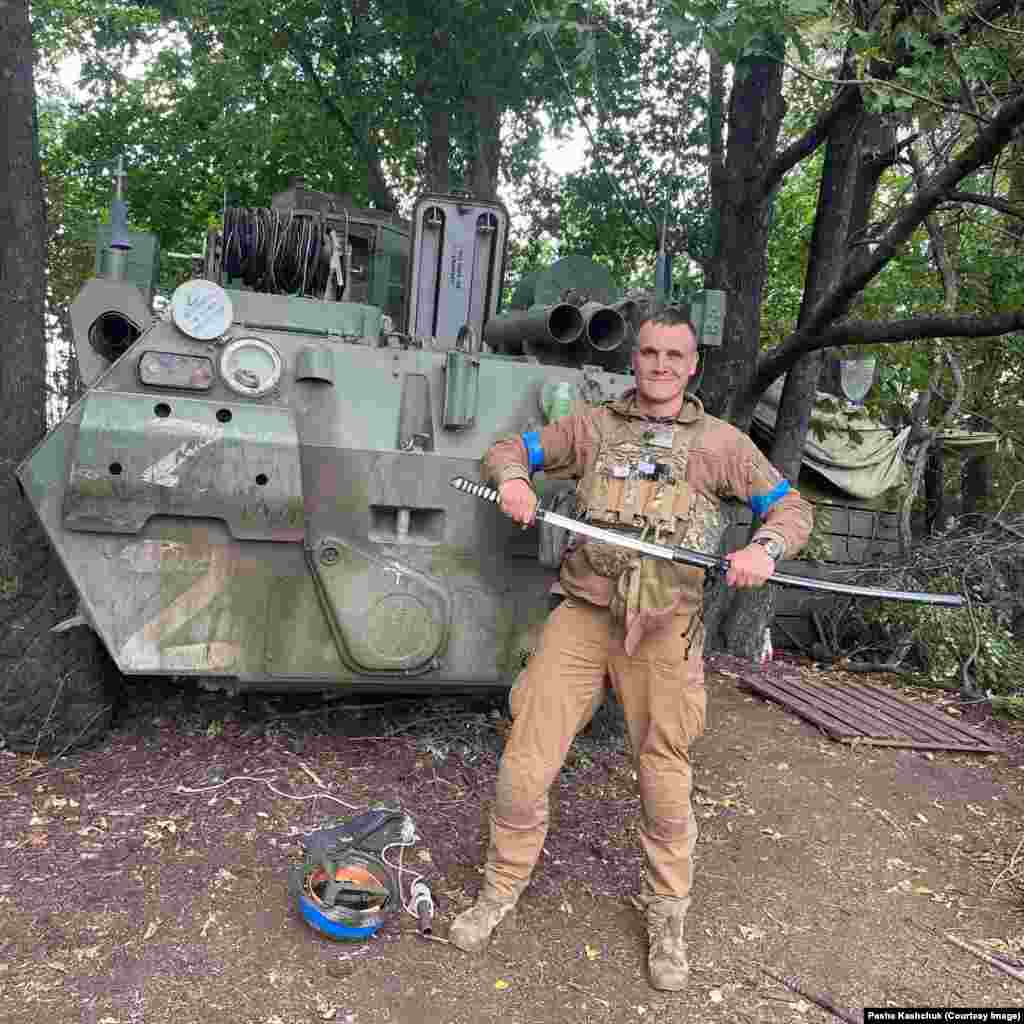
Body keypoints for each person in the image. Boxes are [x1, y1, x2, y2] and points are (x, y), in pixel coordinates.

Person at [448, 308, 813, 991]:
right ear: (635, 359)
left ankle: (667, 919)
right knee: (525, 761)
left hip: (667, 624)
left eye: (675, 355)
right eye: (650, 353)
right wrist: (517, 481)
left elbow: (792, 510)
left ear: (692, 364)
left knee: (664, 779)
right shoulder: (592, 427)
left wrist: (763, 550)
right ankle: (499, 891)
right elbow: (506, 451)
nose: (661, 366)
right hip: (584, 614)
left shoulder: (723, 444)